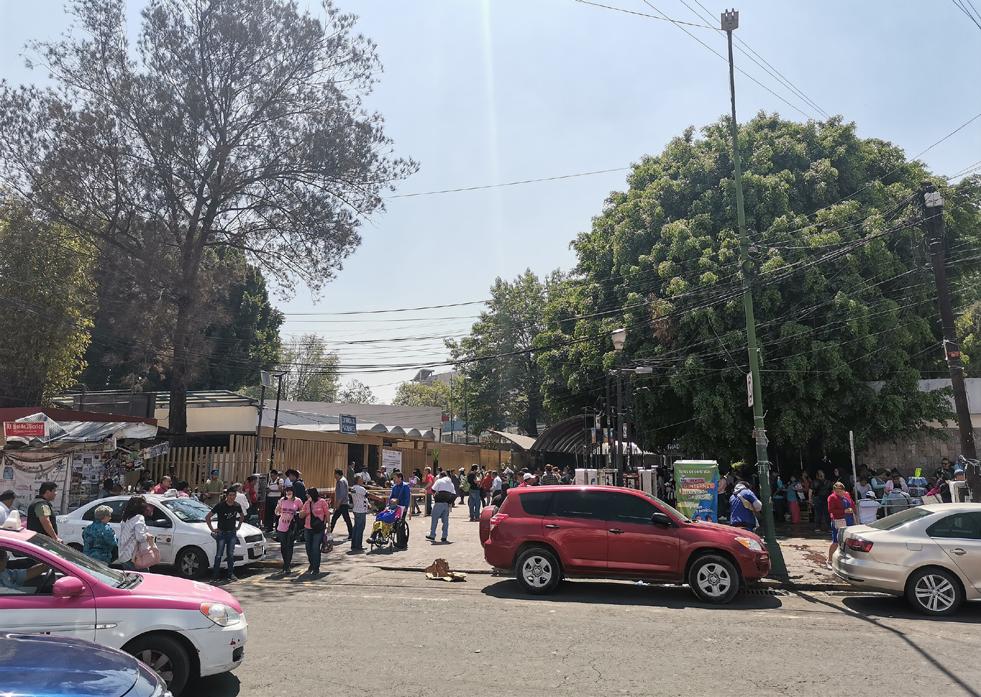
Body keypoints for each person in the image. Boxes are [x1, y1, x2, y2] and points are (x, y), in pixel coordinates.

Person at [206, 488, 245, 581]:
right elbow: (208, 517)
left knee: (230, 554)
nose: (232, 497)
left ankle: (230, 574)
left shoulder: (237, 505)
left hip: (232, 533)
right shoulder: (220, 505)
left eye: (234, 495)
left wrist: (238, 526)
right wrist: (212, 529)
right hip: (221, 533)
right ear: (226, 496)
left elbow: (242, 515)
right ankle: (215, 576)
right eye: (230, 495)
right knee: (219, 554)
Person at [299, 487, 329, 575]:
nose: (307, 495)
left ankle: (316, 567)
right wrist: (303, 512)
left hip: (318, 528)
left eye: (308, 494)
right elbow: (301, 515)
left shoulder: (322, 502)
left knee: (315, 547)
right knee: (308, 548)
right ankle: (311, 564)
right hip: (308, 528)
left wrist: (329, 526)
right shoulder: (307, 503)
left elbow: (327, 513)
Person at [117, 496, 152, 570]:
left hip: (123, 554)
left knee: (130, 575)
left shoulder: (126, 518)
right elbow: (140, 537)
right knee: (144, 576)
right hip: (133, 556)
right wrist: (148, 537)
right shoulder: (139, 518)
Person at [274, 485, 302, 573]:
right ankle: (286, 564)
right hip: (282, 525)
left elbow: (302, 512)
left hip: (292, 526)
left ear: (293, 492)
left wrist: (297, 514)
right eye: (286, 491)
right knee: (283, 546)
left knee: (289, 545)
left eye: (290, 491)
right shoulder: (282, 500)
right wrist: (278, 510)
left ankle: (287, 566)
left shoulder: (298, 501)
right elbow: (277, 511)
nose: (288, 493)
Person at [826, 482, 855, 567]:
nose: (839, 492)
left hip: (849, 520)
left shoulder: (847, 495)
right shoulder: (832, 497)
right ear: (834, 490)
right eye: (837, 490)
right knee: (836, 541)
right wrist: (844, 511)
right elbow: (831, 510)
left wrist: (852, 510)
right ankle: (829, 560)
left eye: (840, 490)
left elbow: (852, 504)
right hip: (838, 520)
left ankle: (844, 561)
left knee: (847, 541)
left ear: (843, 489)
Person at [426, 470, 456, 543]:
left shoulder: (439, 481)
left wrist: (435, 495)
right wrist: (449, 502)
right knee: (445, 521)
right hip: (446, 504)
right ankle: (444, 537)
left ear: (441, 476)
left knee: (434, 519)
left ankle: (432, 535)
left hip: (438, 503)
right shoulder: (451, 483)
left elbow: (433, 490)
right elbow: (454, 494)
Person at [330, 468, 354, 539]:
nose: (334, 476)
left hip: (342, 504)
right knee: (342, 519)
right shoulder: (343, 480)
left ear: (337, 474)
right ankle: (351, 534)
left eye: (335, 474)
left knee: (341, 519)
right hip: (343, 503)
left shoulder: (341, 481)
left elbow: (342, 494)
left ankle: (351, 534)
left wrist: (338, 504)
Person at [349, 474, 369, 553]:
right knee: (360, 528)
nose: (362, 481)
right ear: (358, 481)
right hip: (361, 510)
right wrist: (379, 498)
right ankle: (358, 545)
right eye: (361, 479)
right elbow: (368, 495)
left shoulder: (353, 488)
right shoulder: (361, 488)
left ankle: (354, 544)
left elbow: (362, 497)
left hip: (356, 509)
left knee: (356, 528)